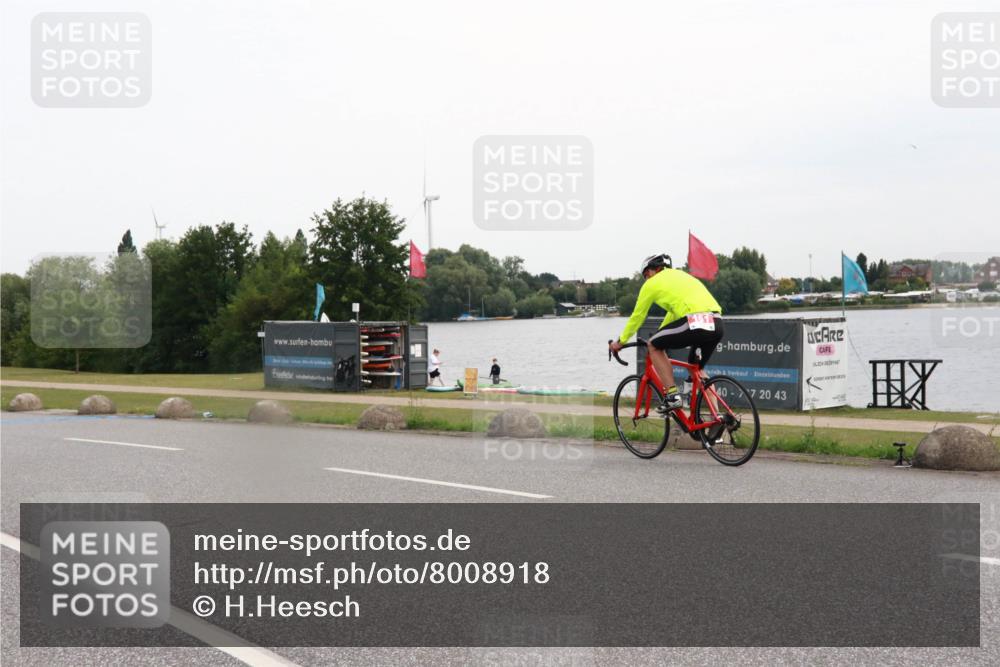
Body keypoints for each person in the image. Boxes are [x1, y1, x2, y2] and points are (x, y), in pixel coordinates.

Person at [609, 254, 723, 414]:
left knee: (654, 346)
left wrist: (620, 342)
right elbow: (674, 315)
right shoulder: (680, 275)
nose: (646, 279)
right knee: (696, 370)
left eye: (646, 275)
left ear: (653, 270)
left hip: (695, 321)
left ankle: (673, 396)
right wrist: (659, 334)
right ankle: (717, 418)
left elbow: (637, 316)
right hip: (717, 322)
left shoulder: (651, 284)